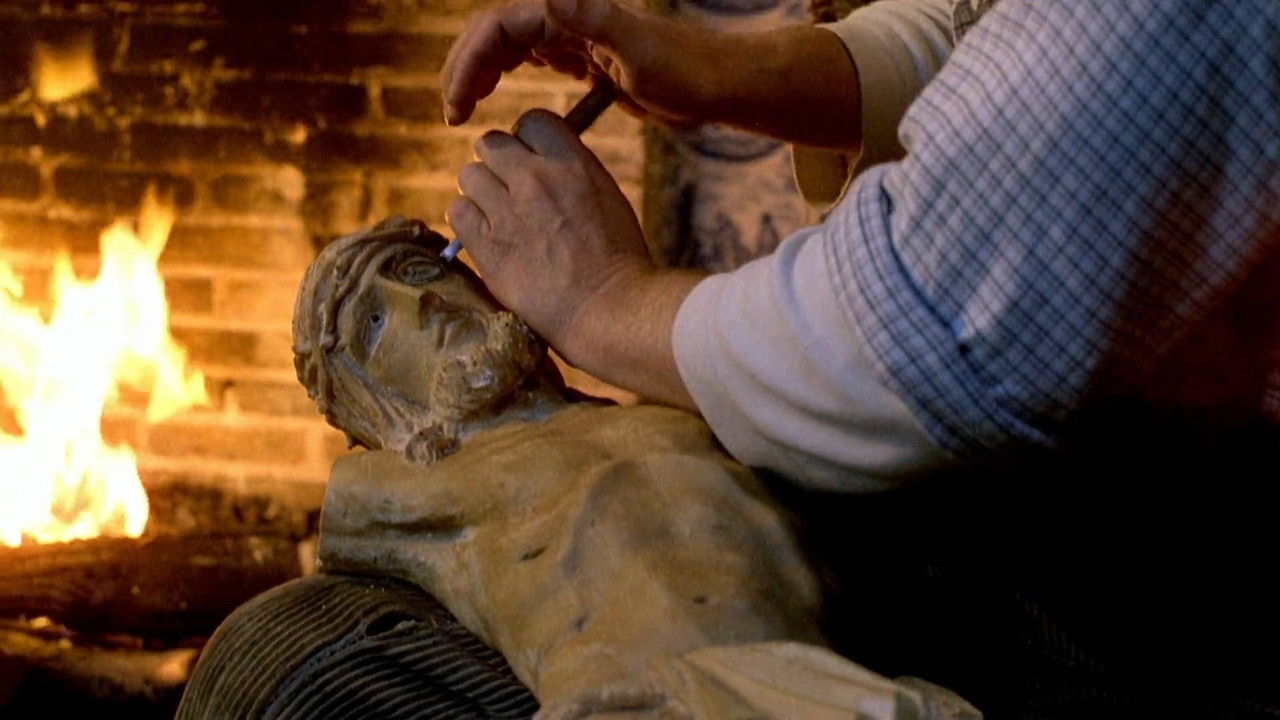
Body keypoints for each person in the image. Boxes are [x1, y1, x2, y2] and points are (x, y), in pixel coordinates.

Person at [439, 0, 1280, 716]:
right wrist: (721, 70)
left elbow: (905, 339)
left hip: (1193, 588)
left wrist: (602, 298)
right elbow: (993, 38)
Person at [180, 216, 982, 719]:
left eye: (421, 272)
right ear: (368, 409)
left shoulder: (666, 408)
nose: (421, 304)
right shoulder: (404, 483)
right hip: (631, 701)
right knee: (266, 659)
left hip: (821, 682)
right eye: (373, 325)